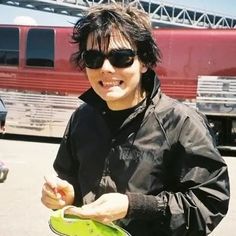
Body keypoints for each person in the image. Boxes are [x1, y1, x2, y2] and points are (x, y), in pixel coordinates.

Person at [41, 3, 230, 236]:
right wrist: (67, 195)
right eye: (93, 58)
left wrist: (134, 206)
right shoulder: (82, 118)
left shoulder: (182, 123)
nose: (106, 68)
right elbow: (69, 179)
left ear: (144, 62)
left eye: (121, 57)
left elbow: (209, 202)